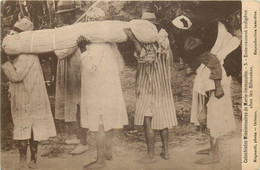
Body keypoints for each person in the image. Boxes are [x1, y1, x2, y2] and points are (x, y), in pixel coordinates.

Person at [1, 18, 57, 169]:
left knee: (24, 128)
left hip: (26, 98)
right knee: (32, 129)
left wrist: (3, 63)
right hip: (32, 96)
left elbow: (16, 76)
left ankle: (24, 161)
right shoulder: (28, 53)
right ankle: (32, 160)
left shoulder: (26, 56)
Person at [124, 8, 177, 163]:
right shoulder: (163, 40)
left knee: (148, 118)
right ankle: (166, 152)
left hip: (149, 85)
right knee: (163, 118)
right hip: (162, 86)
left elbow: (145, 59)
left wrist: (133, 39)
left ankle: (150, 155)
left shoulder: (148, 43)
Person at [77, 7, 128, 169]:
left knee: (99, 123)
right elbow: (121, 66)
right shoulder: (111, 44)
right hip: (110, 88)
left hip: (97, 90)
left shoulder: (94, 46)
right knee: (109, 121)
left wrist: (83, 49)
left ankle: (100, 161)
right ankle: (108, 152)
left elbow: (91, 67)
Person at [185, 20, 239, 164]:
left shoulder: (214, 49)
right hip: (213, 82)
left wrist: (217, 87)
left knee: (214, 116)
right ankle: (212, 148)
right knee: (211, 115)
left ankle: (215, 154)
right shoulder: (217, 42)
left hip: (216, 84)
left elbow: (214, 65)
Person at [53, 1, 89, 154]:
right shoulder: (67, 29)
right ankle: (78, 135)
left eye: (64, 14)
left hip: (78, 68)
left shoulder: (78, 30)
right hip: (68, 68)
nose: (61, 18)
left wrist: (57, 43)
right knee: (73, 103)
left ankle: (84, 141)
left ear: (72, 13)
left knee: (81, 104)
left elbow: (62, 52)